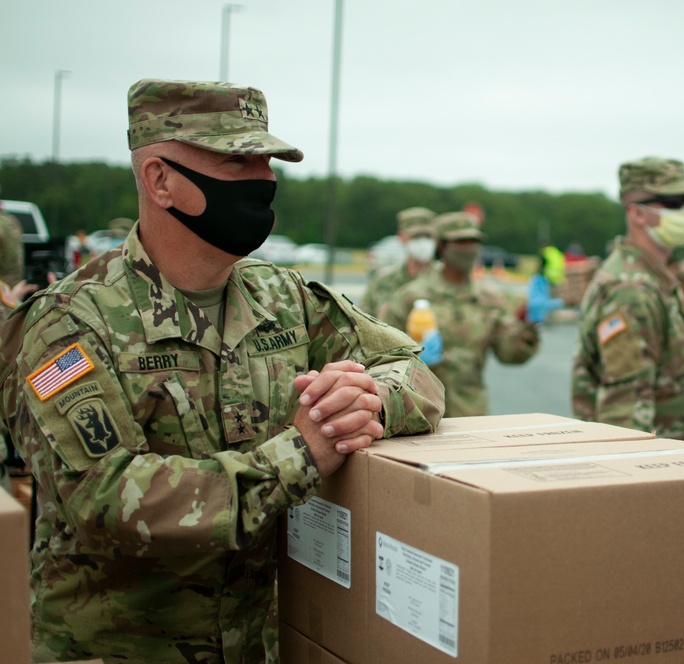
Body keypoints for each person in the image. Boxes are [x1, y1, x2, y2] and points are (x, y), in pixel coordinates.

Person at [0, 78, 444, 664]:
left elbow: (415, 373)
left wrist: (367, 400)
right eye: (237, 161)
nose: (263, 180)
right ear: (160, 180)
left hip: (261, 646)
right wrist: (301, 455)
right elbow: (105, 499)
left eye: (266, 161)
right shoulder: (70, 324)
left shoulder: (283, 298)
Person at [571, 157, 684, 442]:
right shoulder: (630, 290)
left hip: (676, 461)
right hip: (659, 469)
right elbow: (625, 415)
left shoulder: (651, 279)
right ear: (637, 214)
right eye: (672, 202)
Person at [379, 211, 540, 417]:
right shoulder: (412, 296)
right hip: (418, 409)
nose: (468, 250)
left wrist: (528, 323)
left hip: (471, 411)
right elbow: (382, 354)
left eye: (473, 242)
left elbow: (508, 354)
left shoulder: (488, 297)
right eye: (460, 242)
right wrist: (415, 363)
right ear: (441, 247)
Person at [358, 206, 436, 314]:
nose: (422, 242)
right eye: (416, 236)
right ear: (401, 237)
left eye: (427, 236)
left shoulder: (447, 278)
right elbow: (363, 319)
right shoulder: (383, 279)